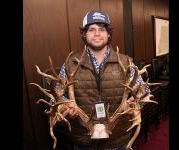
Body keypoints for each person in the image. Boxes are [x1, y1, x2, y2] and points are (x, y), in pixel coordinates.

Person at [52, 10, 149, 150]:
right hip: (83, 140)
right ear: (84, 34)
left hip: (118, 139)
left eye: (101, 29)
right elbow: (55, 99)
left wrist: (135, 104)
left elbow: (144, 92)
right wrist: (64, 105)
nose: (97, 34)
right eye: (91, 29)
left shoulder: (126, 62)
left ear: (108, 34)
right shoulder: (70, 64)